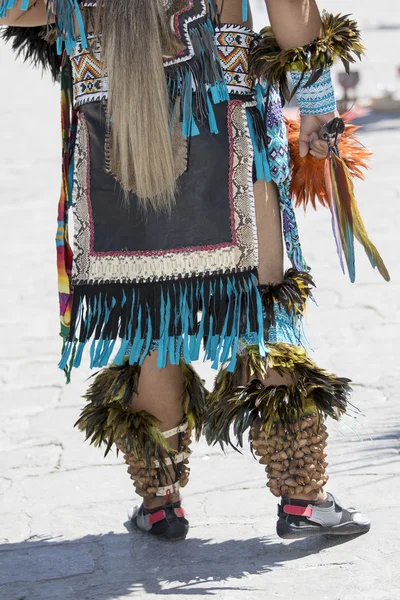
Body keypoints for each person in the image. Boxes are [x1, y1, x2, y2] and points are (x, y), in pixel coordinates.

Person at [1, 0, 375, 541]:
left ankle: (159, 503)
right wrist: (316, 103)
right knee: (260, 313)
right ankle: (303, 497)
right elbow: (291, 8)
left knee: (153, 325)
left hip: (115, 133)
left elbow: (16, 12)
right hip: (223, 117)